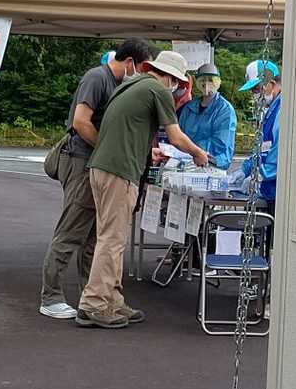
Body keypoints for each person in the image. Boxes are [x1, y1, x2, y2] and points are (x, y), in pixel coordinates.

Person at [76, 50, 210, 328]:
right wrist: (198, 153)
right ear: (171, 78)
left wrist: (149, 151)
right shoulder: (158, 90)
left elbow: (127, 130)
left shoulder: (130, 85)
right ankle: (94, 304)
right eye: (177, 82)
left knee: (110, 237)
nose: (177, 87)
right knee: (111, 240)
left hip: (100, 167)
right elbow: (176, 136)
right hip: (119, 171)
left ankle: (113, 300)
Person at [38, 38, 156, 319]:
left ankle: (95, 299)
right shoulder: (97, 78)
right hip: (82, 161)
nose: (144, 75)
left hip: (98, 165)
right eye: (143, 68)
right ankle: (51, 296)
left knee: (96, 238)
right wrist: (108, 149)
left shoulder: (120, 85)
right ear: (130, 63)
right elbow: (80, 121)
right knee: (71, 231)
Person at [238, 59, 281, 212]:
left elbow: (279, 155)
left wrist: (260, 177)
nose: (254, 94)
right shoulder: (269, 111)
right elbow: (260, 150)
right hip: (267, 193)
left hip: (277, 193)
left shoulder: (283, 111)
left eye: (256, 89)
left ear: (272, 84)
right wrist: (244, 170)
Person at [176, 62, 236, 169]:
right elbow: (179, 134)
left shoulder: (225, 110)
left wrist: (190, 148)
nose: (206, 84)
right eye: (202, 80)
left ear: (218, 82)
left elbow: (220, 143)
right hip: (188, 162)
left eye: (211, 80)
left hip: (214, 163)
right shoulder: (188, 108)